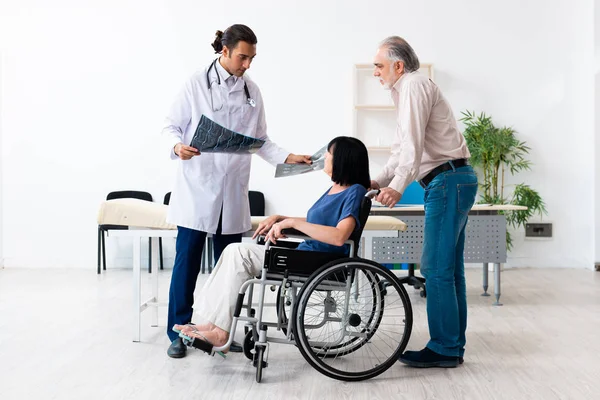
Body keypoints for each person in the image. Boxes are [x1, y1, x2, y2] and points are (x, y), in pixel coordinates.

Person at [161, 24, 311, 358]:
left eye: (251, 58)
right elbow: (170, 125)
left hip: (232, 191)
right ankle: (178, 331)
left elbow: (261, 141)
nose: (247, 65)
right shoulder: (195, 84)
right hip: (197, 190)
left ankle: (221, 333)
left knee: (230, 271)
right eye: (243, 57)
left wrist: (288, 157)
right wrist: (177, 146)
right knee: (186, 265)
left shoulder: (252, 91)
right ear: (224, 51)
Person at [173, 136, 370, 350]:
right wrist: (281, 218)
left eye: (329, 153)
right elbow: (317, 223)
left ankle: (220, 333)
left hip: (320, 262)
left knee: (239, 253)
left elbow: (339, 236)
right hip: (308, 255)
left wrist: (292, 222)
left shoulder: (354, 191)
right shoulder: (336, 189)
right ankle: (213, 325)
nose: (325, 157)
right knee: (232, 251)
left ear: (343, 159)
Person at [370, 36, 478, 368]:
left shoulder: (414, 85)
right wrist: (377, 181)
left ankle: (445, 348)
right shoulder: (405, 93)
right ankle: (452, 346)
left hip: (446, 181)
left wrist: (399, 187)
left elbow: (413, 149)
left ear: (398, 65)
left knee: (434, 268)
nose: (376, 73)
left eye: (379, 66)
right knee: (448, 270)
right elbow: (401, 151)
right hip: (452, 180)